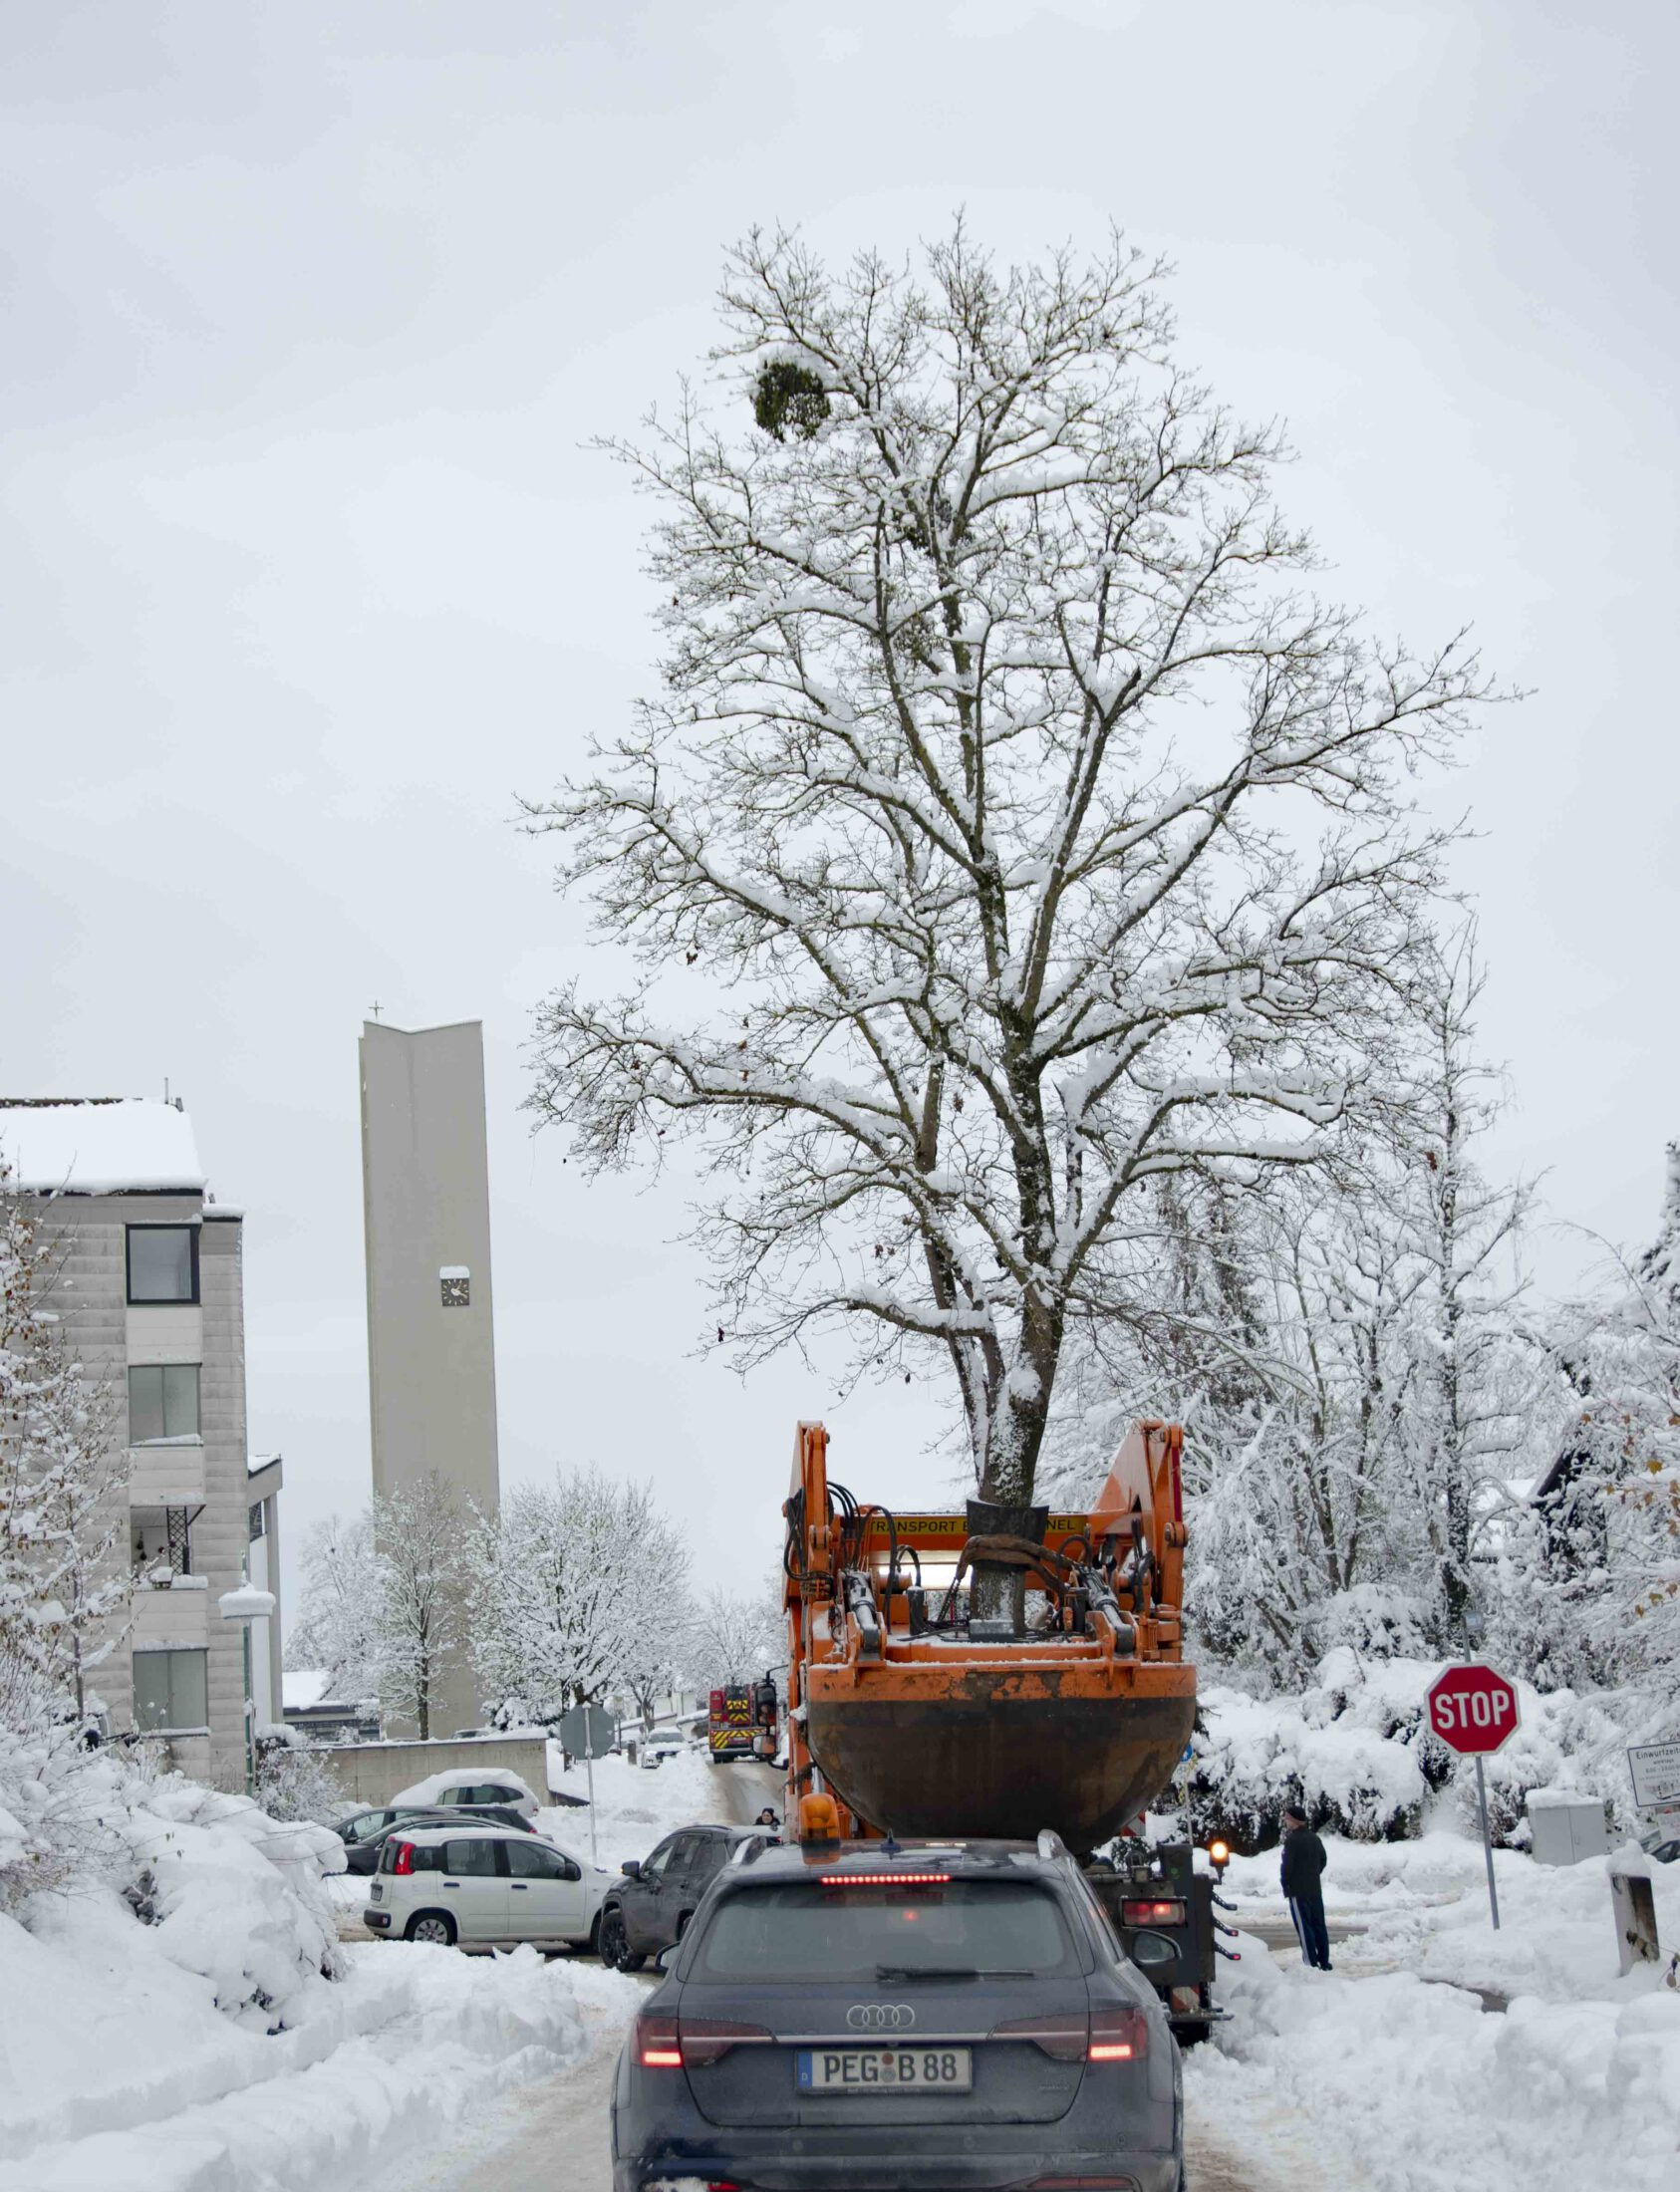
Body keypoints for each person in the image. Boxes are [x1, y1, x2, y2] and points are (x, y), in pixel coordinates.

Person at [1279, 1803, 1331, 1971]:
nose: (1285, 1821)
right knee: (1318, 1925)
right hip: (1315, 1889)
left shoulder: (1292, 1841)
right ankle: (1324, 1961)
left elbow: (1287, 1867)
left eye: (1287, 1818)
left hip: (1298, 1891)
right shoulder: (1314, 1838)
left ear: (1294, 1821)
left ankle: (1311, 1963)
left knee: (1304, 1927)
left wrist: (1286, 1883)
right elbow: (1323, 1860)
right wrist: (1313, 1873)